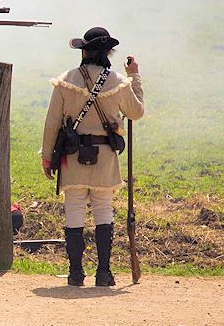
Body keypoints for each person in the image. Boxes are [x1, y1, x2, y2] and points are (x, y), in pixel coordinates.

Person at [41, 27, 144, 287]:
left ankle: (76, 273)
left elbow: (52, 122)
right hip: (106, 157)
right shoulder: (119, 81)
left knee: (73, 211)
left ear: (84, 52)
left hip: (72, 156)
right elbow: (136, 112)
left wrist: (46, 155)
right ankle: (104, 273)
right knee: (103, 211)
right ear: (107, 53)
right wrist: (135, 76)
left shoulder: (66, 79)